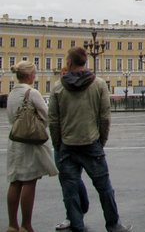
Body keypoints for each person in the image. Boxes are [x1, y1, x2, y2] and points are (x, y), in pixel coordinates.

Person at [48, 47, 132, 232]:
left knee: (70, 191)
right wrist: (100, 141)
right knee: (104, 188)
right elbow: (105, 117)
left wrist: (58, 144)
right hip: (91, 143)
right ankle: (113, 224)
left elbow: (53, 121)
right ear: (85, 62)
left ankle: (77, 226)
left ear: (69, 63)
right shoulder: (99, 84)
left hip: (67, 146)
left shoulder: (58, 87)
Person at [6, 61, 58, 232]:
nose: (35, 76)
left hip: (15, 142)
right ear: (29, 75)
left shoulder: (12, 93)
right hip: (30, 143)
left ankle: (12, 224)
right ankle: (26, 225)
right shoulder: (32, 93)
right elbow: (46, 116)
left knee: (15, 182)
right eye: (34, 73)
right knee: (29, 182)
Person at [54, 61, 89, 231]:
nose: (64, 79)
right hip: (63, 143)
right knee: (68, 181)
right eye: (62, 76)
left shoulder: (81, 92)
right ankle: (73, 216)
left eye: (65, 76)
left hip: (77, 141)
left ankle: (79, 209)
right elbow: (51, 118)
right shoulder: (57, 91)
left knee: (72, 180)